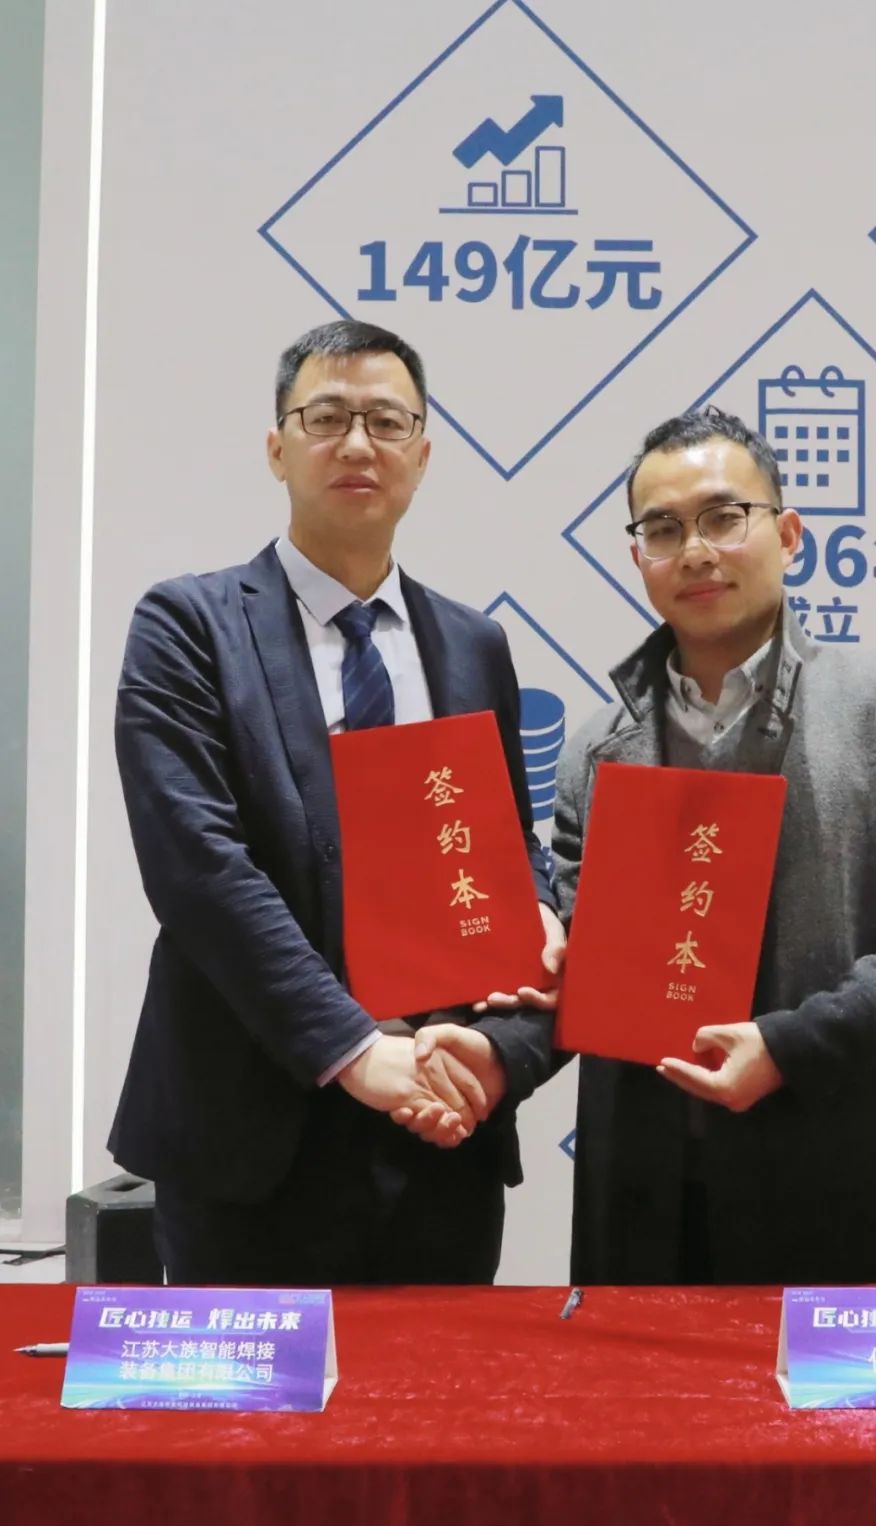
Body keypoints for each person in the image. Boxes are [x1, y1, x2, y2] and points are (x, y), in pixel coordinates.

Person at [109, 318, 562, 1286]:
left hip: (439, 1128)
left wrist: (533, 914)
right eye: (327, 418)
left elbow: (499, 845)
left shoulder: (473, 645)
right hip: (252, 1140)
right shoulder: (188, 625)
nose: (358, 444)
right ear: (278, 447)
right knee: (250, 1393)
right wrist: (354, 1048)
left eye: (387, 422)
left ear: (423, 456)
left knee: (440, 1388)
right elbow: (199, 870)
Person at [550, 405, 876, 1285]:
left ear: (789, 534)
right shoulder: (593, 752)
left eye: (724, 517)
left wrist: (793, 1046)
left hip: (858, 1188)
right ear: (637, 556)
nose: (696, 551)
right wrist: (507, 1023)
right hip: (650, 1211)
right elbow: (581, 964)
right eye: (664, 529)